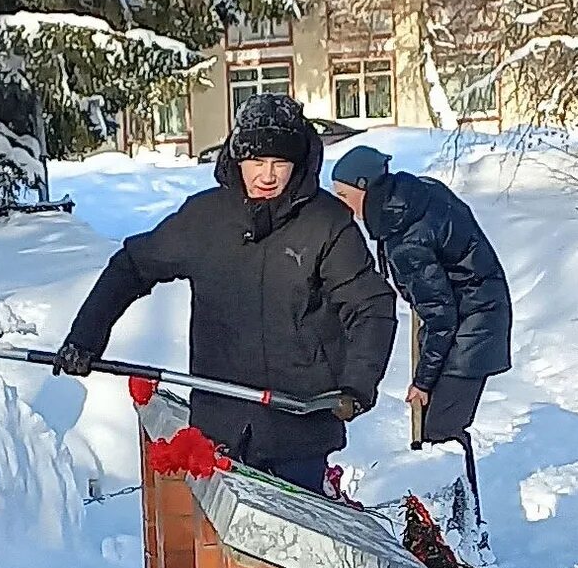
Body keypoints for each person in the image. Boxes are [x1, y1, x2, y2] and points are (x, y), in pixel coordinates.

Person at [59, 94, 397, 490]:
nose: (267, 175)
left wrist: (356, 385)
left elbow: (371, 306)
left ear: (298, 163)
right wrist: (85, 337)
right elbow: (132, 266)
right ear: (237, 158)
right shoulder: (205, 219)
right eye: (256, 161)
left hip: (298, 428)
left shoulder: (326, 224)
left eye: (279, 163)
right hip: (220, 424)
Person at [328, 144, 515, 450]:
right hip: (477, 313)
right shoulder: (416, 196)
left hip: (472, 329)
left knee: (441, 436)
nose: (344, 208)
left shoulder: (407, 241)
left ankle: (457, 496)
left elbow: (441, 317)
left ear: (367, 188)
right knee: (439, 433)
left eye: (345, 197)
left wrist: (422, 382)